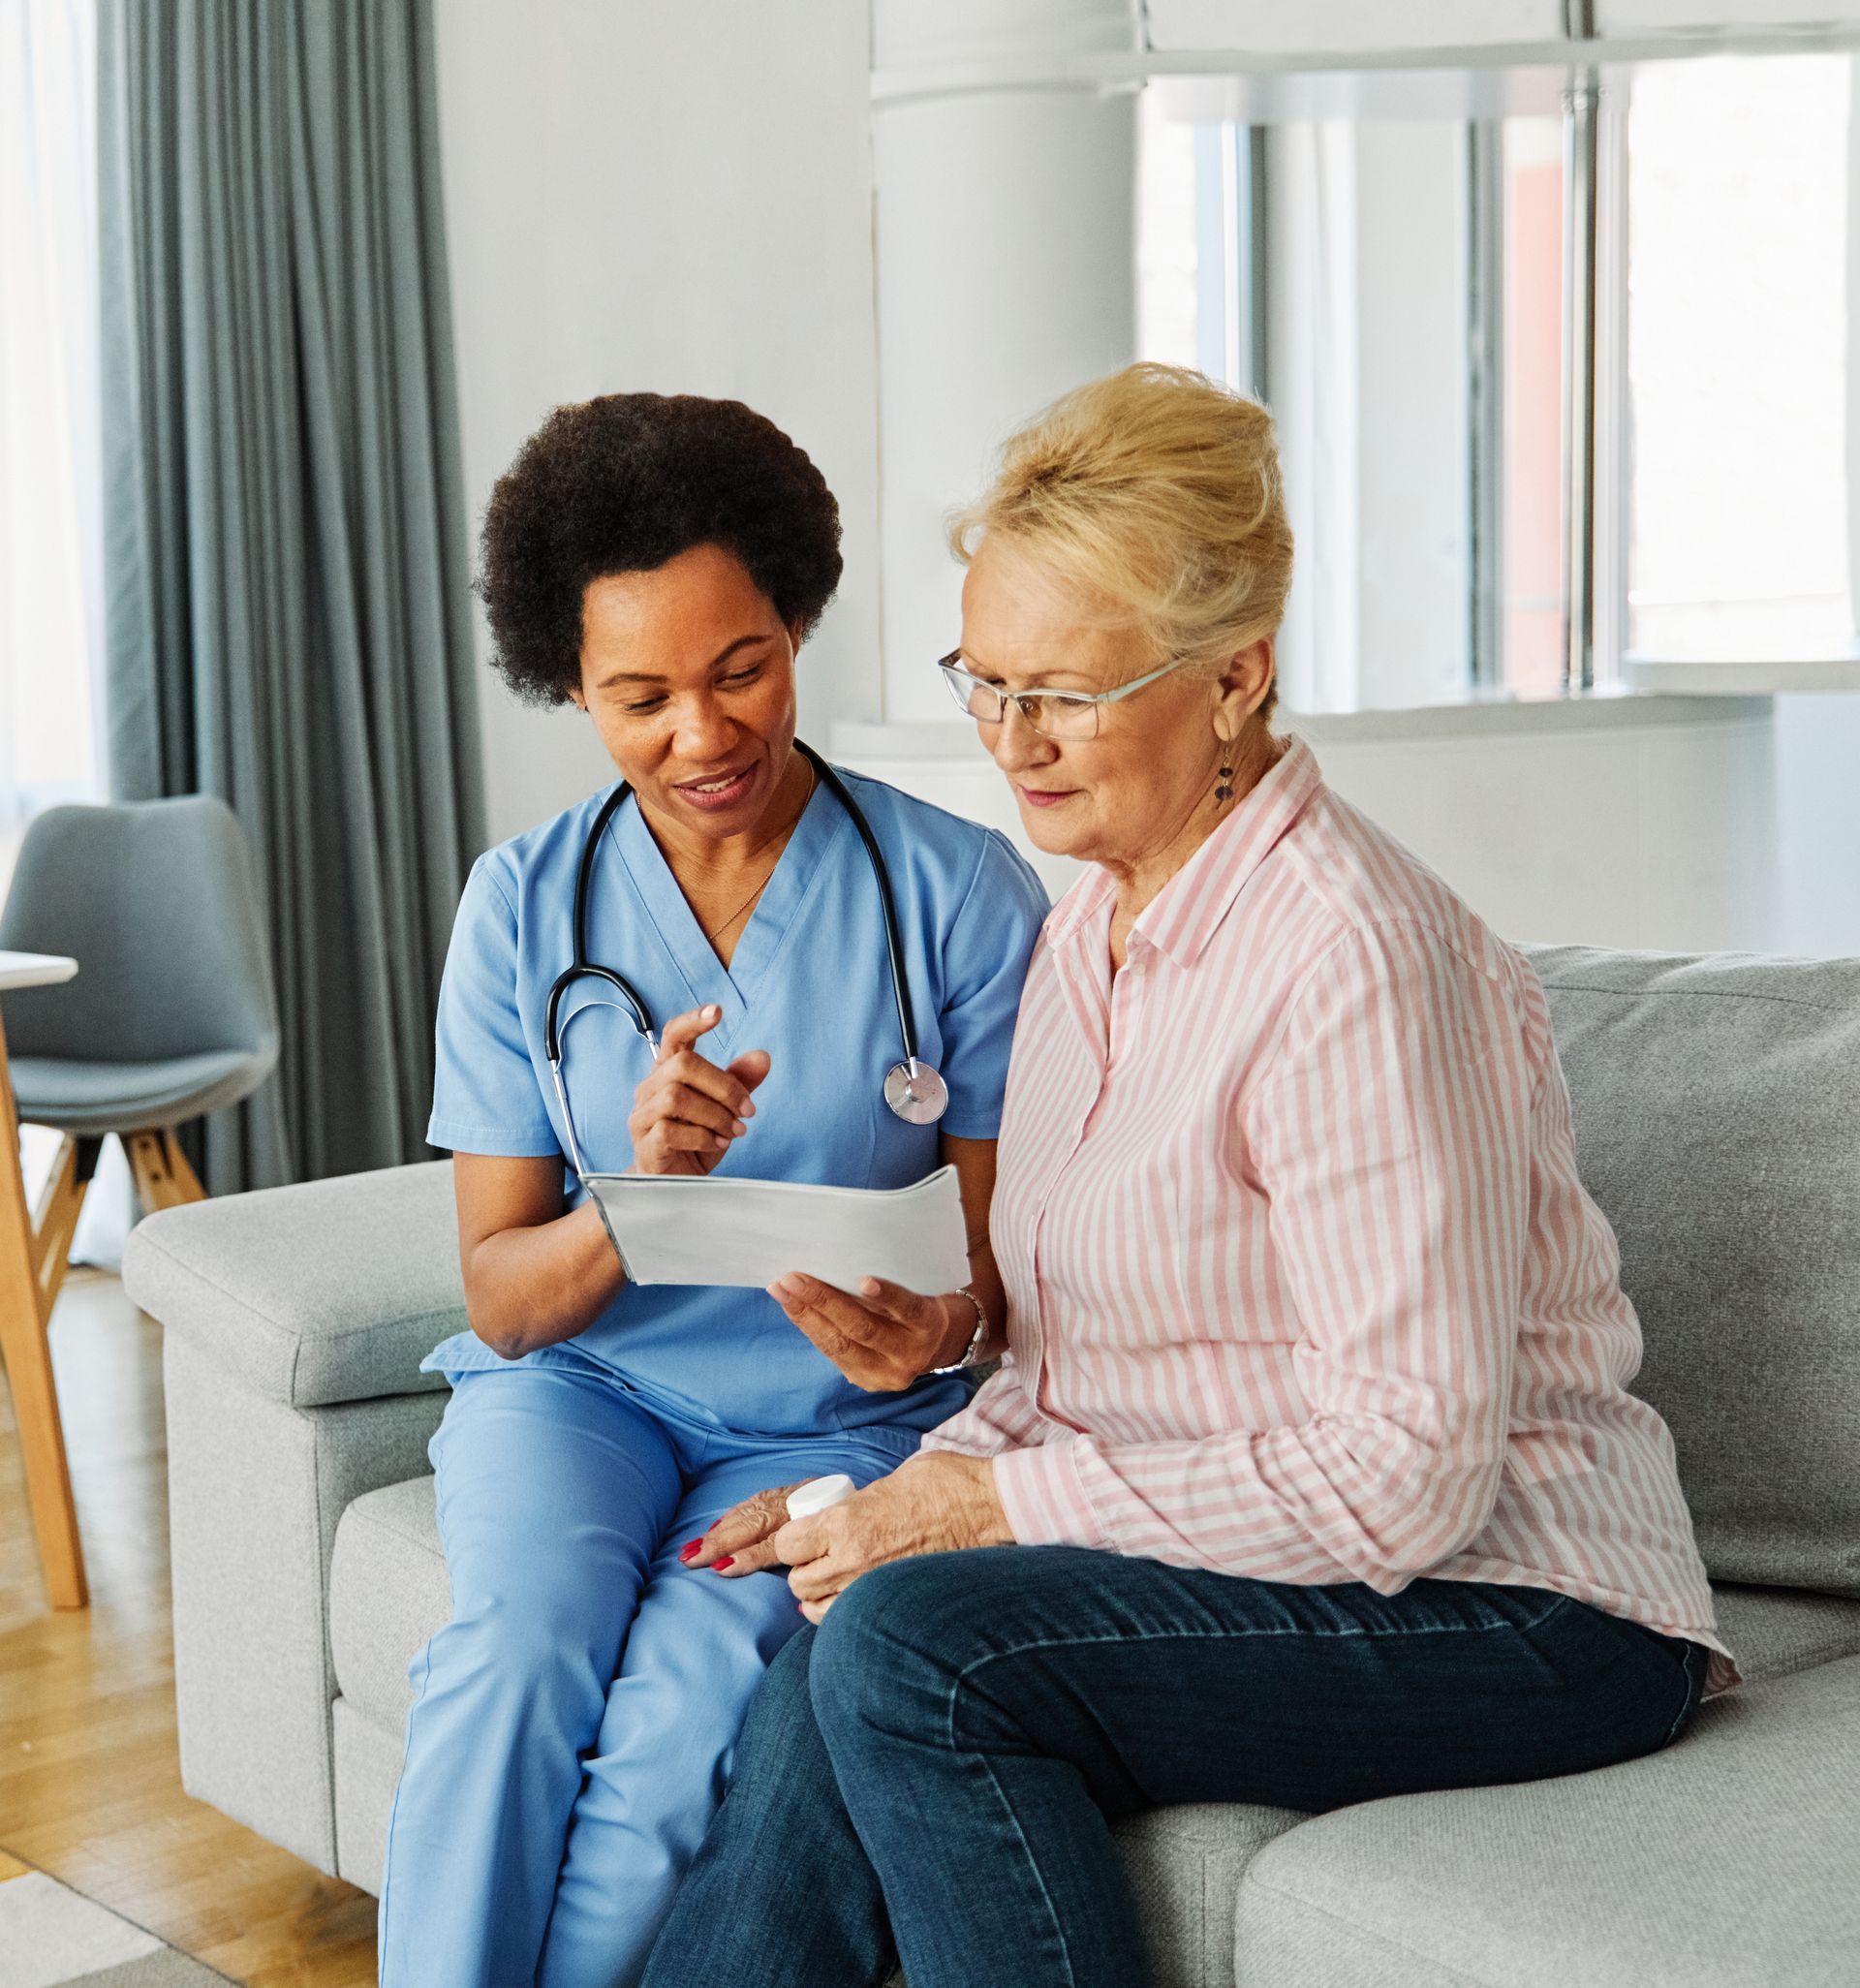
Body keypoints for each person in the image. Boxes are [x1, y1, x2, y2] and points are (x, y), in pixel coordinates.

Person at [643, 364, 1737, 1988]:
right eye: (986, 682)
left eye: (1069, 694)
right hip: (1288, 1560)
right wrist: (898, 1487)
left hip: (1520, 1602)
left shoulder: (1350, 960)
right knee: (838, 1635)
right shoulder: (1090, 924)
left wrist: (983, 1507)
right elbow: (1092, 1375)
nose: (1014, 742)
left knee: (915, 1654)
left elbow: (1406, 1479)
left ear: (1237, 678)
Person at [376, 392, 1049, 1988]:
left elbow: (1017, 1268)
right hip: (587, 1397)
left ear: (796, 617)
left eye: (739, 668)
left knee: (680, 1736)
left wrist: (942, 1332)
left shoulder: (953, 895)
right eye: (639, 698)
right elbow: (500, 1296)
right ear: (572, 689)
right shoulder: (523, 906)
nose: (703, 735)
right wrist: (626, 1194)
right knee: (513, 1657)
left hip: (838, 1422)